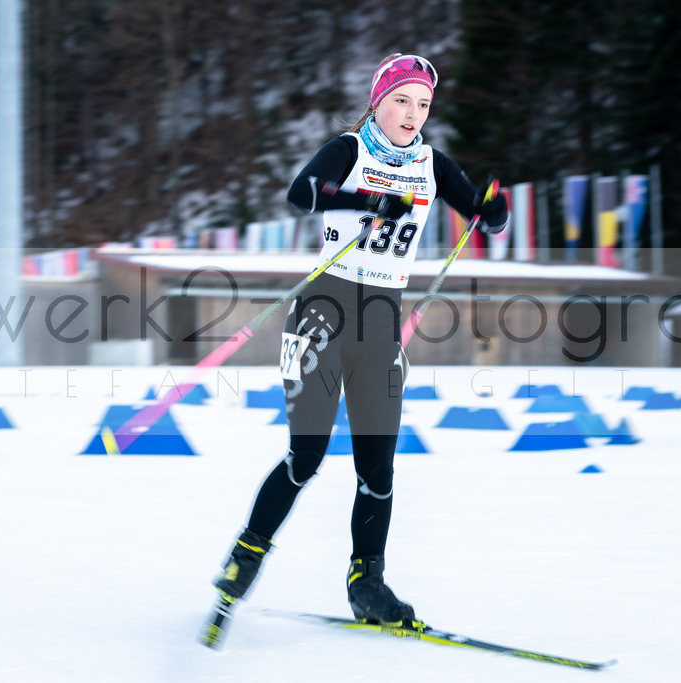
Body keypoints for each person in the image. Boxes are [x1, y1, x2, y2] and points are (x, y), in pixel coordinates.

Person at [209, 53, 508, 630]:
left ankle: (366, 582)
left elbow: (479, 213)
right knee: (308, 455)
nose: (412, 114)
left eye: (422, 104)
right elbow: (303, 193)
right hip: (322, 311)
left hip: (380, 322)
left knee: (379, 471)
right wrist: (365, 201)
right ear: (378, 100)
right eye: (401, 100)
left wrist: (492, 211)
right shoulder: (350, 149)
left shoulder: (431, 163)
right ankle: (244, 558)